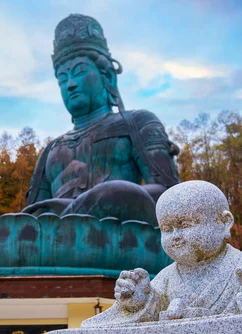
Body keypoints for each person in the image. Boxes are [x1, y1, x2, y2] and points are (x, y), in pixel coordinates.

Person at [83, 180, 242, 327]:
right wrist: (139, 302)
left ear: (224, 223)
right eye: (167, 229)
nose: (175, 235)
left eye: (186, 225)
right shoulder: (167, 277)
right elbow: (152, 314)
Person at [22, 14, 180, 226]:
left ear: (107, 77)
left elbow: (172, 197)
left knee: (113, 193)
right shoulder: (51, 150)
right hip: (55, 242)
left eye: (79, 72)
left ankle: (73, 225)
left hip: (121, 237)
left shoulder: (137, 123)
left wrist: (113, 196)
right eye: (62, 78)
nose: (70, 84)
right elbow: (30, 217)